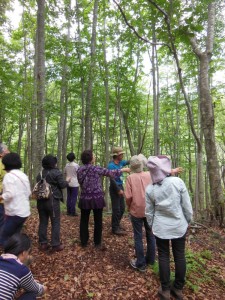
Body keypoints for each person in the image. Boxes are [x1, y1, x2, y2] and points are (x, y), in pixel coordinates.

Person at [145, 155, 193, 300]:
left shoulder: (150, 189)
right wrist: (188, 220)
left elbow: (149, 212)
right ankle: (177, 288)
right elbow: (187, 206)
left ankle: (165, 289)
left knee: (164, 256)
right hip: (179, 225)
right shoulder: (177, 182)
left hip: (161, 227)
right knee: (179, 255)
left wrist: (153, 225)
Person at [77, 150, 130, 248]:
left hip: (85, 198)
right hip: (97, 198)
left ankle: (84, 242)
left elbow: (80, 182)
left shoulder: (79, 170)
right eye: (93, 155)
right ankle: (97, 243)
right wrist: (123, 170)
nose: (95, 157)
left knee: (84, 220)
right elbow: (110, 173)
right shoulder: (96, 168)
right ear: (91, 158)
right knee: (98, 220)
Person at [124, 154, 156, 272]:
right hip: (150, 210)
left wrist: (129, 207)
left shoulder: (130, 178)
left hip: (136, 210)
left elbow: (128, 196)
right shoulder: (150, 175)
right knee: (150, 235)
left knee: (138, 237)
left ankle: (141, 264)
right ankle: (151, 260)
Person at [36, 155, 69, 252]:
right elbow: (63, 185)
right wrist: (67, 181)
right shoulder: (56, 172)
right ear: (53, 163)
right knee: (55, 222)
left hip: (41, 201)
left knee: (43, 222)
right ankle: (55, 244)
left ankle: (43, 243)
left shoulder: (40, 173)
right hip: (52, 201)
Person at [0, 233, 47, 299]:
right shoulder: (21, 270)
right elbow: (38, 290)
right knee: (32, 294)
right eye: (28, 252)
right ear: (23, 253)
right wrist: (44, 288)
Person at [0, 153, 31, 246]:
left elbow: (10, 194)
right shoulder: (23, 175)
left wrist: (1, 197)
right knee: (15, 235)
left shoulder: (9, 176)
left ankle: (9, 257)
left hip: (15, 212)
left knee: (3, 236)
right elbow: (29, 192)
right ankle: (17, 254)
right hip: (24, 212)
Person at [108, 146, 130, 236]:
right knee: (116, 209)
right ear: (116, 155)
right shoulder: (111, 165)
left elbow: (128, 162)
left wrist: (136, 158)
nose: (122, 155)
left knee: (122, 208)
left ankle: (116, 224)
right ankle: (115, 228)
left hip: (120, 186)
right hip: (114, 187)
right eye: (121, 154)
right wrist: (118, 190)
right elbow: (112, 179)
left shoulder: (121, 162)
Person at [64, 152, 79, 216]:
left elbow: (65, 173)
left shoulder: (66, 165)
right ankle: (72, 212)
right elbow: (79, 173)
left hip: (68, 182)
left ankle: (68, 211)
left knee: (69, 197)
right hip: (75, 183)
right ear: (74, 158)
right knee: (74, 198)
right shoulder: (76, 165)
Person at [0, 143, 9, 232]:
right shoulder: (1, 164)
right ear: (1, 153)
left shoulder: (4, 163)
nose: (8, 151)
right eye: (6, 150)